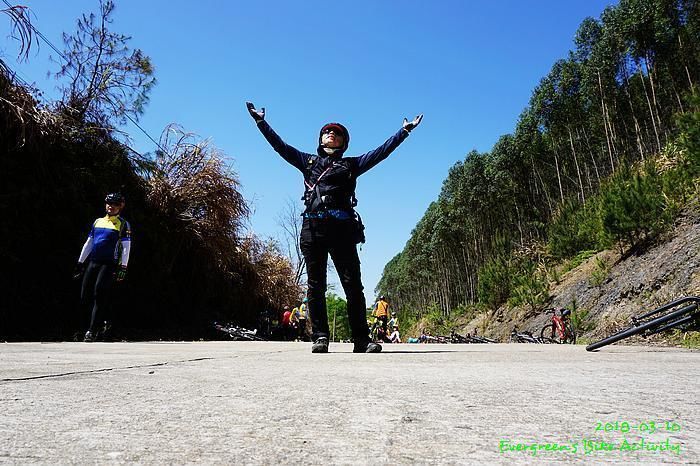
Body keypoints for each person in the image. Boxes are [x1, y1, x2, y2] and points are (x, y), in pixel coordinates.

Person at [246, 102, 422, 353]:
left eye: (337, 133)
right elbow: (280, 147)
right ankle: (320, 337)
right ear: (320, 139)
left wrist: (403, 131)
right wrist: (261, 122)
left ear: (343, 142)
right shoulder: (308, 162)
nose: (331, 133)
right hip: (313, 228)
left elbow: (381, 152)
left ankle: (361, 340)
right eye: (327, 131)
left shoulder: (352, 164)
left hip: (342, 230)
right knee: (315, 285)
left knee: (353, 286)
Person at [74, 193, 131, 342]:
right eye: (109, 203)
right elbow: (89, 243)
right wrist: (80, 262)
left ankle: (92, 331)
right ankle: (83, 328)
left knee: (99, 293)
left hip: (109, 263)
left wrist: (123, 267)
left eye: (115, 204)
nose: (111, 206)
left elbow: (126, 247)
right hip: (93, 262)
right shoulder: (98, 221)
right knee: (84, 294)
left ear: (120, 207)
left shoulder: (123, 224)